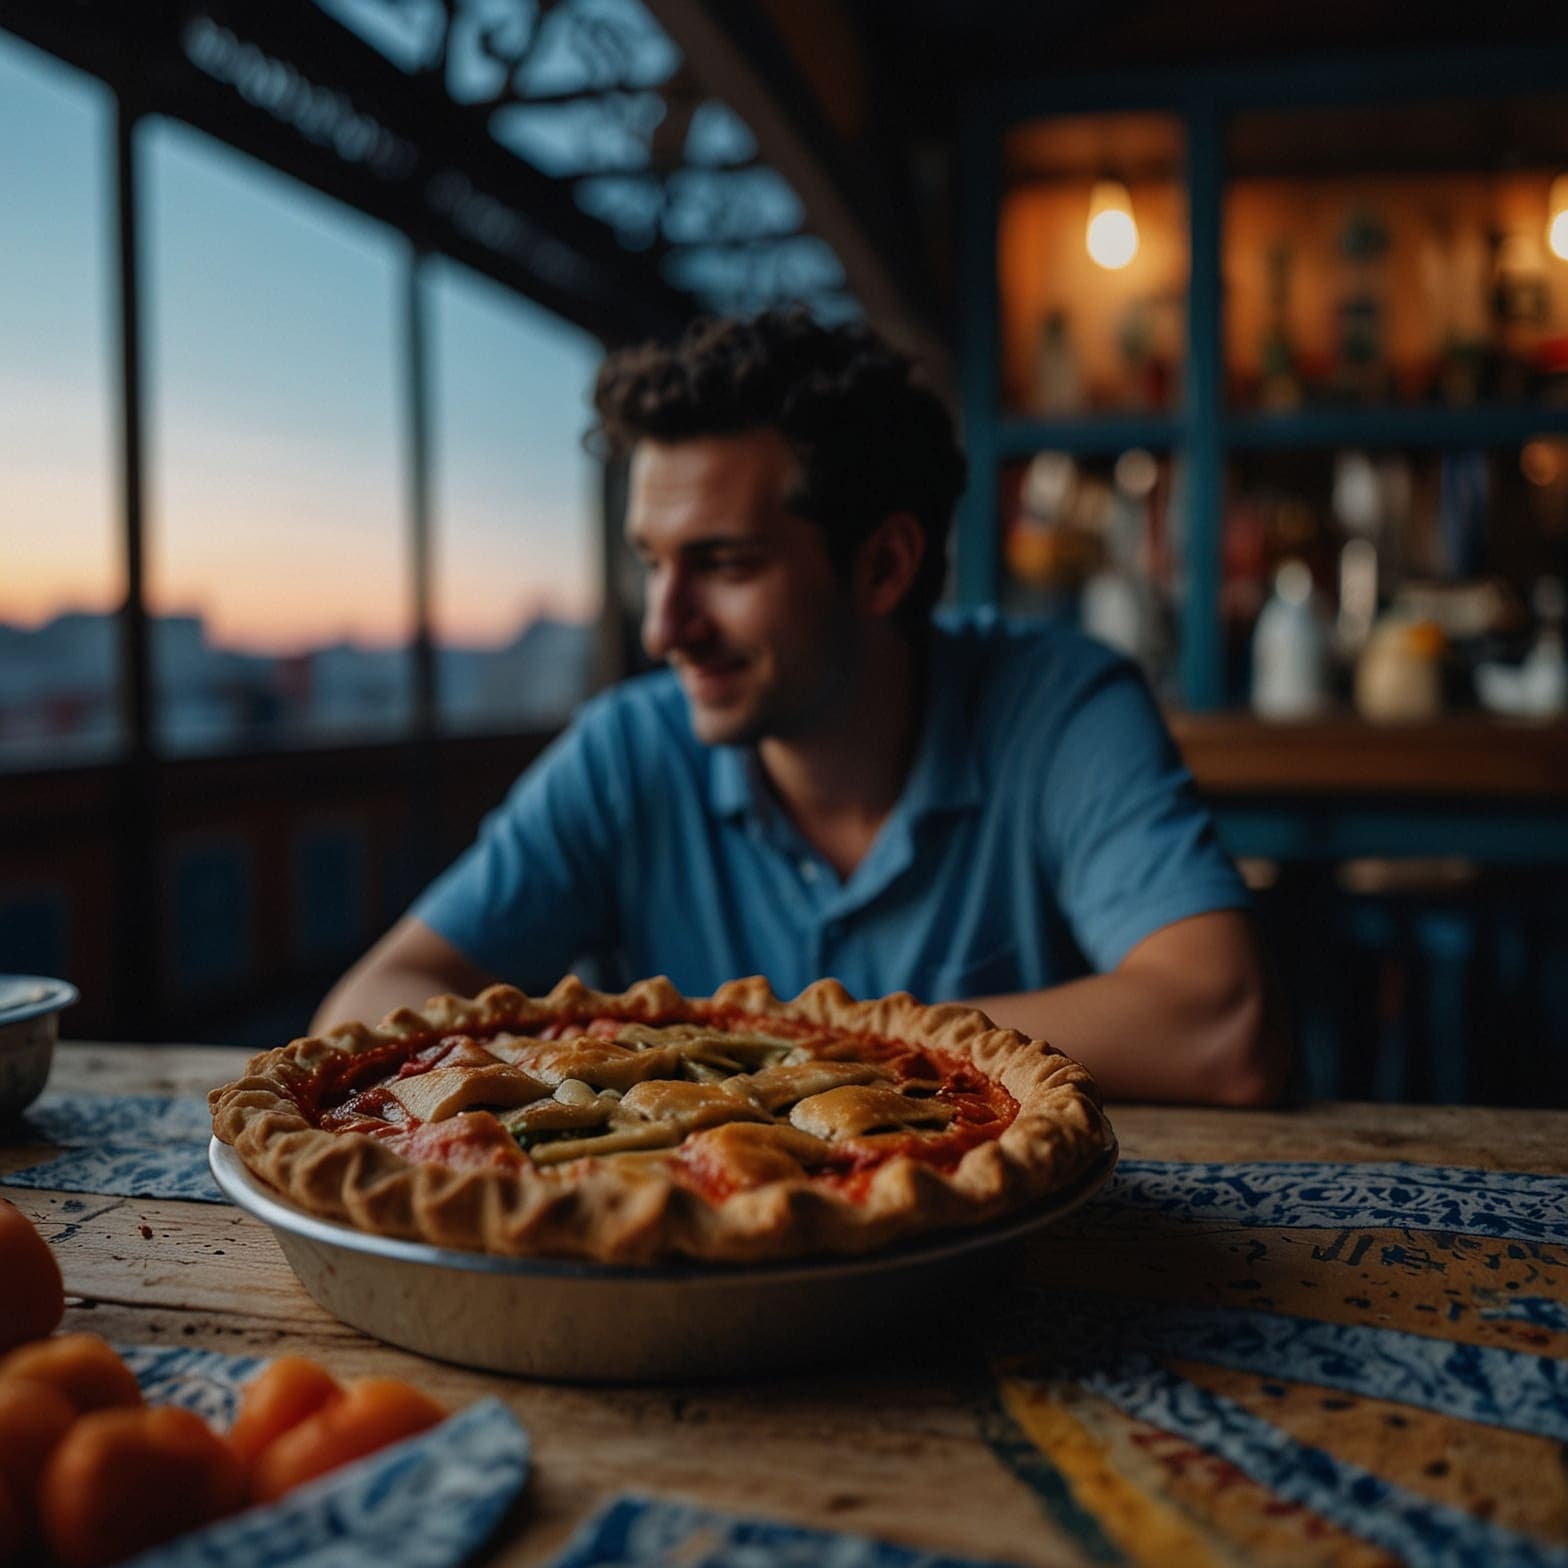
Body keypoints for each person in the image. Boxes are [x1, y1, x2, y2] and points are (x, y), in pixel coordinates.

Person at [315, 308, 1286, 1105]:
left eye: (725, 565)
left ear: (884, 565)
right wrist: (598, 1075)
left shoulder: (1061, 703)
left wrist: (775, 1054)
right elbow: (369, 1003)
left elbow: (1221, 1027)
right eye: (653, 564)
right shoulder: (626, 747)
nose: (664, 627)